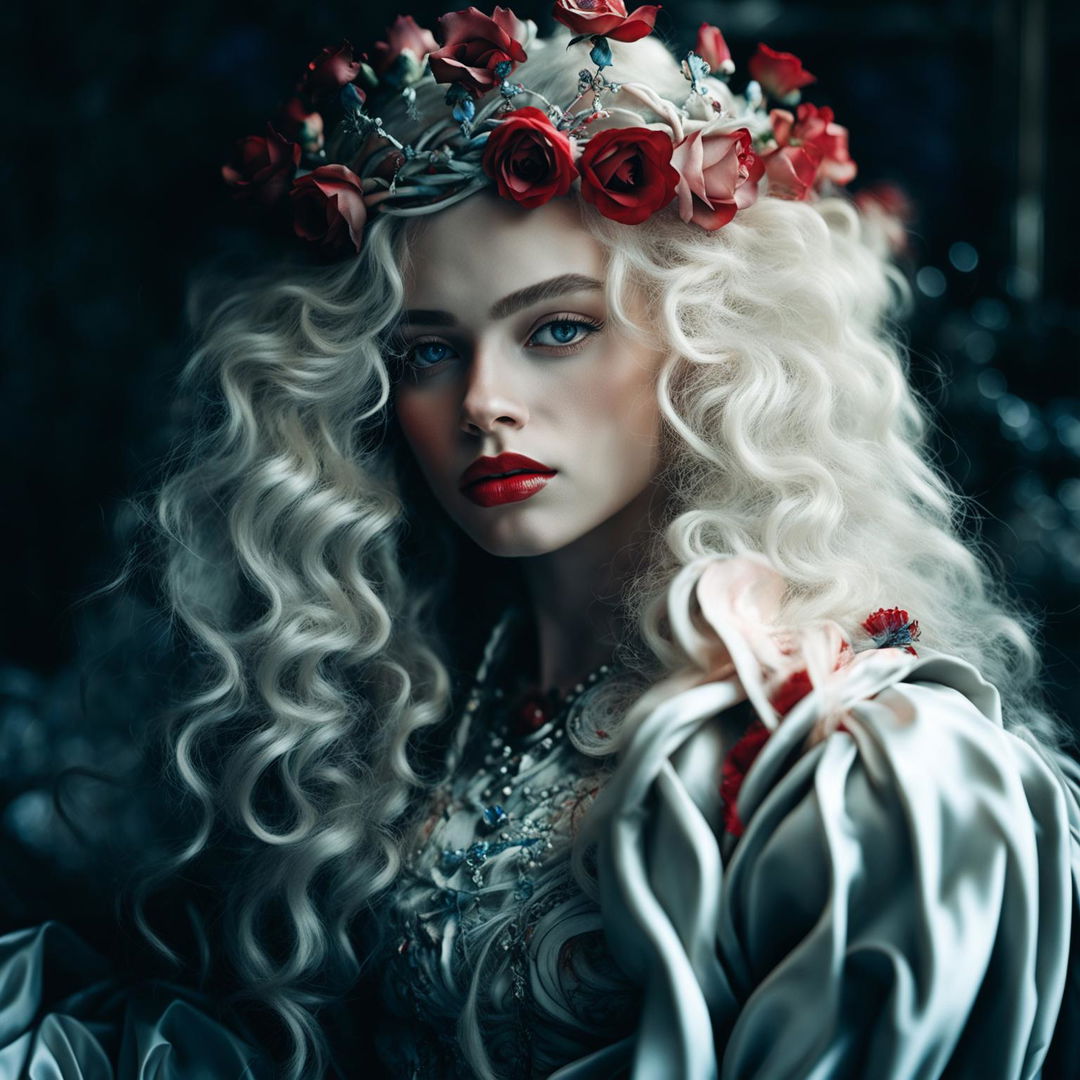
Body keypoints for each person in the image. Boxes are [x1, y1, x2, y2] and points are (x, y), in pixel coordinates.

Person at [3, 5, 1078, 1079]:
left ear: (706, 345)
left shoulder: (849, 773)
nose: (484, 403)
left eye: (557, 330)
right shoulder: (422, 696)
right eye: (426, 352)